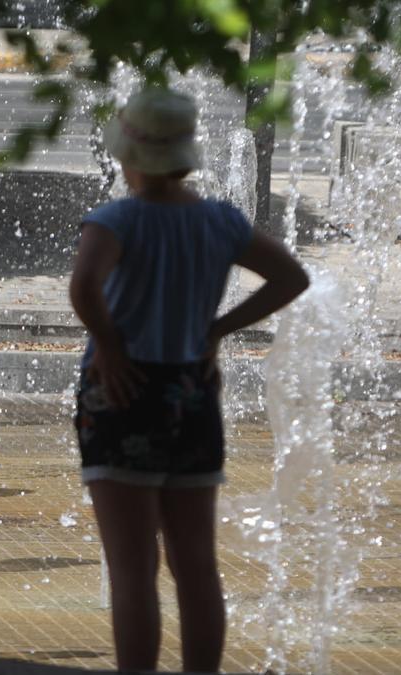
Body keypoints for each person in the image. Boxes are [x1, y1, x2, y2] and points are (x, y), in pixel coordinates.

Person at [69, 87, 309, 673]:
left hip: (122, 391)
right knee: (197, 563)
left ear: (127, 157)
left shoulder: (116, 218)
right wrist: (219, 329)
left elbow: (83, 285)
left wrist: (110, 345)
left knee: (132, 568)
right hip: (191, 393)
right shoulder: (220, 221)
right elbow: (290, 277)